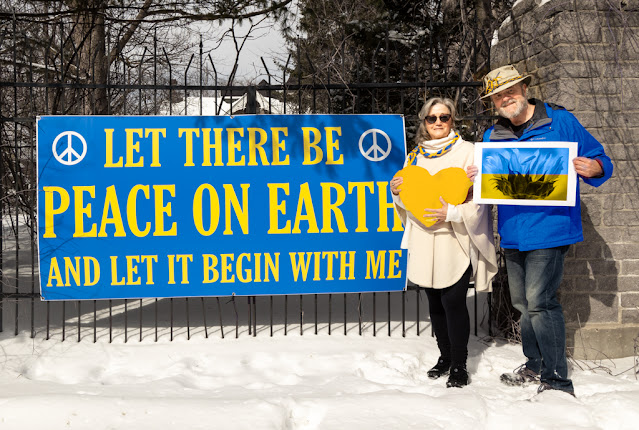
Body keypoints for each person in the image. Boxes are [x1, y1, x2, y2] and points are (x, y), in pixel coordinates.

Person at [472, 65, 613, 396]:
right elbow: (488, 183)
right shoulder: (492, 136)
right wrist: (474, 180)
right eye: (497, 96)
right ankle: (534, 364)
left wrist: (595, 168)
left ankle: (557, 379)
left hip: (551, 228)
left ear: (524, 88)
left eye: (510, 91)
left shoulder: (560, 122)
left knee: (540, 301)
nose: (505, 99)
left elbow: (600, 159)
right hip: (512, 231)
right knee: (522, 303)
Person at [390, 97, 498, 388]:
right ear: (424, 122)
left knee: (453, 301)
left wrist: (450, 213)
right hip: (424, 237)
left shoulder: (469, 152)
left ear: (453, 119)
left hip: (455, 237)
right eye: (432, 118)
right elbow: (408, 197)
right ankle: (445, 356)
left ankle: (460, 364)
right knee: (435, 302)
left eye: (444, 117)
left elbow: (480, 199)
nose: (438, 122)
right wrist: (396, 192)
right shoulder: (414, 156)